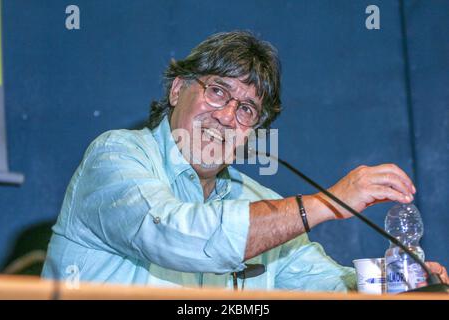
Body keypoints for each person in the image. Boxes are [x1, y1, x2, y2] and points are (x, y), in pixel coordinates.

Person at [41, 31, 448, 291]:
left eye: (247, 110)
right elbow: (171, 233)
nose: (226, 116)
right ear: (177, 89)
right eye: (217, 91)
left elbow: (323, 283)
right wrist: (328, 203)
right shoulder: (115, 155)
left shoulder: (257, 199)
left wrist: (393, 282)